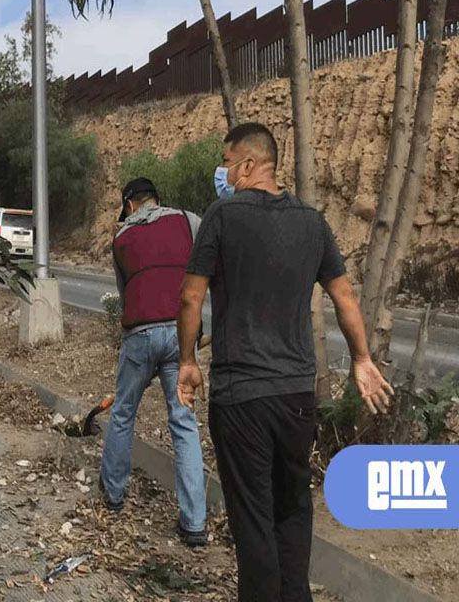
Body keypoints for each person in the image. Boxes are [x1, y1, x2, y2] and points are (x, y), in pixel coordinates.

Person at [177, 122, 392, 602]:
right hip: (296, 396)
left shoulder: (222, 216)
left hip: (240, 398)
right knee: (293, 513)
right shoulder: (312, 222)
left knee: (253, 520)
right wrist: (361, 359)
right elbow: (344, 296)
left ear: (249, 164)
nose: (224, 171)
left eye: (227, 160)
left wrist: (188, 360)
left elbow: (191, 297)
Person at [100, 177, 208, 548]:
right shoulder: (188, 220)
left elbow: (125, 292)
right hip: (181, 335)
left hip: (140, 335)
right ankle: (194, 523)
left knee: (123, 413)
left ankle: (113, 497)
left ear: (130, 206)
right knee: (183, 421)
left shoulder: (121, 239)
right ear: (158, 200)